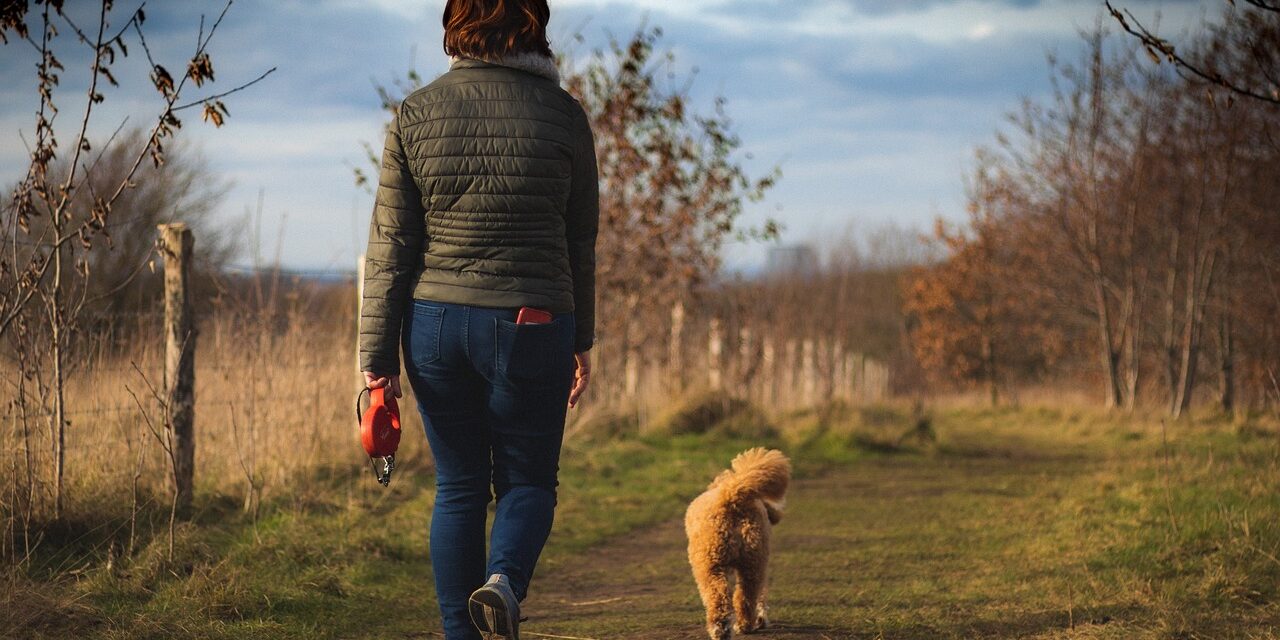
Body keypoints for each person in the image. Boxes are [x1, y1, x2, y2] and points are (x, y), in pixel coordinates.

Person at [357, 0, 599, 637]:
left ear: (454, 27)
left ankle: (461, 633)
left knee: (459, 486)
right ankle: (502, 584)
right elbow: (581, 240)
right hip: (534, 323)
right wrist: (583, 338)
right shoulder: (566, 116)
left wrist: (376, 364)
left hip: (434, 326)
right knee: (527, 482)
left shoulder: (415, 113)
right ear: (534, 28)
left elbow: (391, 244)